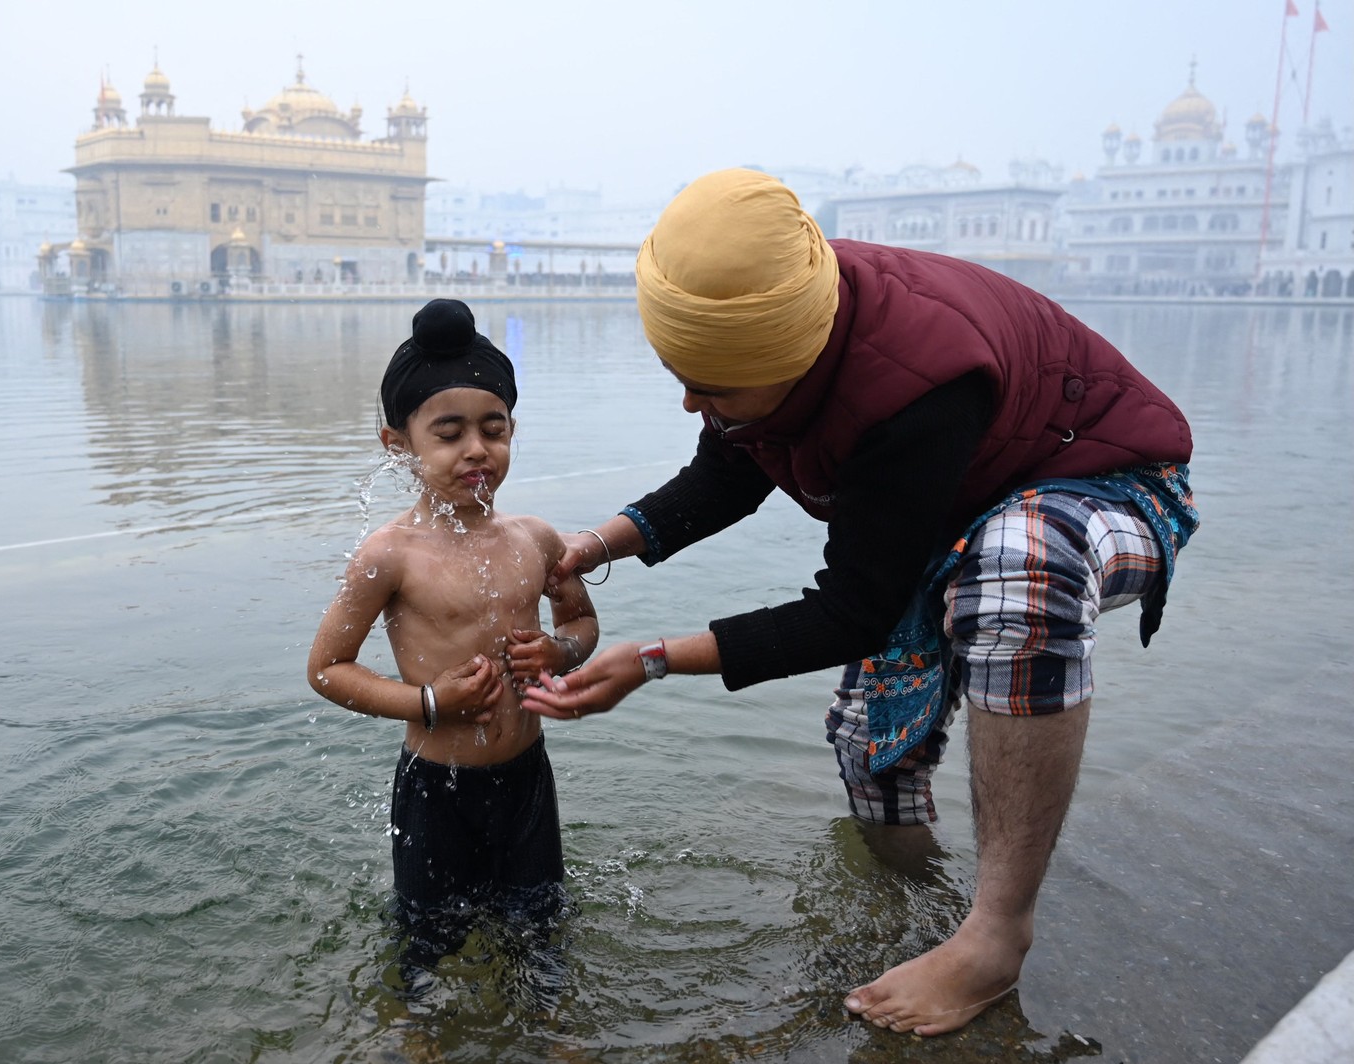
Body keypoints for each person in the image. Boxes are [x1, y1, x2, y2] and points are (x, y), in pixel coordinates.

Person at [520, 169, 1198, 1036]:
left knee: (1019, 574)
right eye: (678, 375)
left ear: (790, 355)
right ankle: (915, 906)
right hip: (951, 508)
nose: (692, 401)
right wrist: (592, 547)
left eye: (709, 386)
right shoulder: (771, 310)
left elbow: (852, 612)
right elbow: (728, 469)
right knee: (869, 747)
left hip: (1107, 485)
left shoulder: (917, 379)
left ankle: (994, 935)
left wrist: (651, 660)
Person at [306, 297, 599, 971]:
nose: (476, 450)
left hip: (528, 774)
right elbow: (327, 669)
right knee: (426, 939)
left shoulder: (534, 539)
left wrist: (559, 651)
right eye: (448, 434)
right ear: (398, 444)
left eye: (494, 430)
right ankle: (416, 1035)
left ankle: (550, 1029)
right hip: (436, 784)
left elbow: (580, 623)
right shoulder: (391, 554)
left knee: (540, 926)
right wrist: (431, 703)